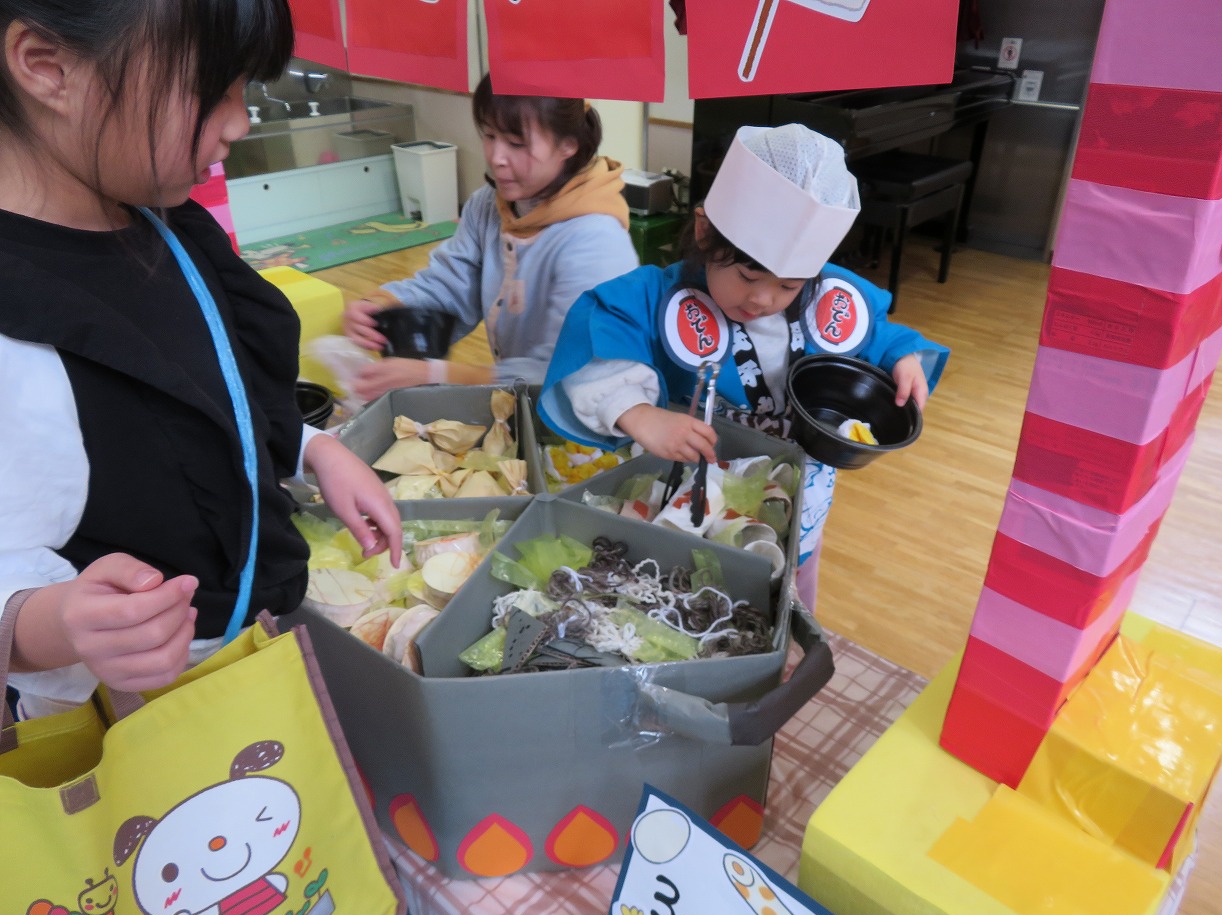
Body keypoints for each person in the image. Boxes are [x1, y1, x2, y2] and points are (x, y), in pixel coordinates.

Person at [0, 0, 401, 717]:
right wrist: (54, 622)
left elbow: (209, 398)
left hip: (253, 645)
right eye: (212, 88)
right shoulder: (17, 311)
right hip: (124, 704)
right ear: (46, 66)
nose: (239, 123)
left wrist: (312, 449)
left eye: (245, 88)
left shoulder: (169, 229)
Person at [537, 124, 950, 611]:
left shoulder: (829, 296)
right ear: (704, 231)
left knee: (788, 582)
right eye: (748, 275)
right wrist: (640, 414)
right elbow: (600, 333)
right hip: (694, 487)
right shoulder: (657, 296)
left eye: (789, 286)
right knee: (696, 593)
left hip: (799, 492)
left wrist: (902, 358)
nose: (762, 299)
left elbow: (876, 332)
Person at [341, 73, 639, 398]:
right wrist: (384, 304)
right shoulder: (488, 204)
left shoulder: (594, 239)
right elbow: (452, 284)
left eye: (517, 143)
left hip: (585, 410)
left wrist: (437, 374)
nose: (497, 158)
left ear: (568, 145)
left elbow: (570, 372)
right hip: (519, 397)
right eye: (489, 135)